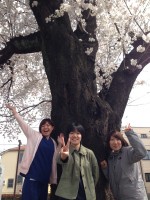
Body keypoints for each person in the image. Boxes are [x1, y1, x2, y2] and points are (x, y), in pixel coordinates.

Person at [6, 104, 59, 200]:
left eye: (48, 125)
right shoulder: (34, 136)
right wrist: (15, 112)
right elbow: (23, 125)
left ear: (52, 128)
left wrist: (60, 144)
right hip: (32, 177)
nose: (45, 127)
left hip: (44, 180)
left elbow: (56, 158)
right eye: (43, 125)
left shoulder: (53, 143)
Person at [100, 124, 148, 200]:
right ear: (108, 143)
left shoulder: (128, 151)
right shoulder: (111, 158)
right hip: (119, 197)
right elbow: (111, 178)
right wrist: (105, 168)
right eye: (112, 140)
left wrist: (130, 133)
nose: (115, 142)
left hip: (135, 197)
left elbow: (141, 153)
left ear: (122, 141)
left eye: (118, 139)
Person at [55, 122, 99, 200]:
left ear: (82, 136)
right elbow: (60, 160)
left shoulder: (89, 153)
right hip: (67, 194)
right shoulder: (64, 151)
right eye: (72, 133)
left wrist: (90, 186)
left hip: (86, 194)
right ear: (68, 135)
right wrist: (63, 157)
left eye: (78, 133)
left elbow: (95, 174)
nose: (75, 136)